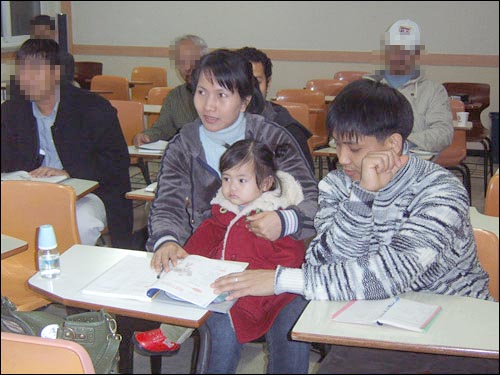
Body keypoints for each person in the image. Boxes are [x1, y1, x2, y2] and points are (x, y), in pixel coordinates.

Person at [212, 79, 493, 371]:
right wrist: (362, 197)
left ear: (393, 144)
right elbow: (325, 264)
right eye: (338, 144)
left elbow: (390, 275)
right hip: (372, 321)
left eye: (354, 148)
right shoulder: (337, 185)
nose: (342, 158)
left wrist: (280, 280)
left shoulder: (440, 190)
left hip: (456, 328)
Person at [145, 49, 318, 373]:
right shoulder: (186, 142)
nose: (209, 106)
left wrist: (286, 220)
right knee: (221, 327)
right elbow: (167, 200)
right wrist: (168, 239)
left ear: (245, 100)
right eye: (201, 92)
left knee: (290, 326)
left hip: (274, 262)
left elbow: (314, 202)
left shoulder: (271, 137)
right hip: (215, 262)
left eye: (222, 95)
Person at [135, 139, 307, 362]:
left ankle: (172, 335)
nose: (231, 187)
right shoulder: (224, 209)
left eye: (241, 180)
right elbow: (204, 240)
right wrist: (184, 261)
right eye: (226, 178)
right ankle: (170, 333)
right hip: (225, 282)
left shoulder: (274, 217)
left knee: (222, 324)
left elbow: (291, 259)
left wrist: (252, 294)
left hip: (261, 293)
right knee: (185, 294)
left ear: (266, 184)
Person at [1, 38, 133, 248]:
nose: (26, 78)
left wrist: (68, 172)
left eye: (35, 70)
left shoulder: (93, 108)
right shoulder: (12, 111)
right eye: (22, 71)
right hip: (32, 193)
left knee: (81, 223)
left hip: (89, 193)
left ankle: (73, 274)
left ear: (55, 73)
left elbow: (115, 161)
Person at [365, 18, 453, 154]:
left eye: (406, 51)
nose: (399, 55)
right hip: (370, 158)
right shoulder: (366, 87)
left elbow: (443, 133)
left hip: (415, 161)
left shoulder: (433, 91)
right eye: (394, 49)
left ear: (416, 54)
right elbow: (345, 129)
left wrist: (403, 143)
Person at [236, 47, 314, 169]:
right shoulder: (218, 123)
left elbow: (303, 185)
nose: (250, 89)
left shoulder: (287, 130)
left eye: (256, 82)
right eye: (243, 81)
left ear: (268, 83)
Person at [133, 35, 208, 147]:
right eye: (182, 62)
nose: (187, 67)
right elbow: (163, 128)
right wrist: (147, 136)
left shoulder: (220, 94)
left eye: (193, 61)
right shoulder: (175, 96)